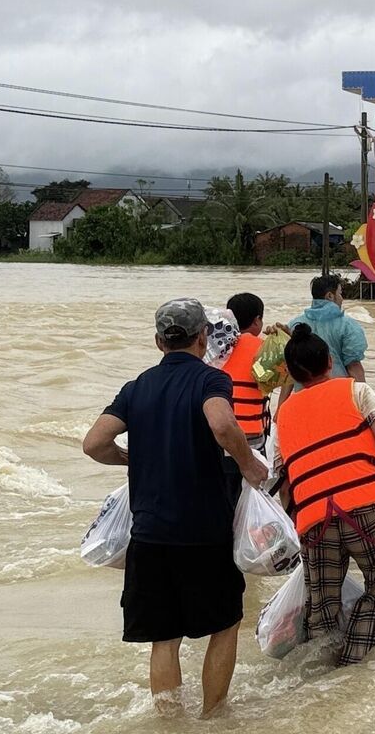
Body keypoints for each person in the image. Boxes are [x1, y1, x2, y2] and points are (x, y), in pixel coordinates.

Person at [81, 298, 269, 718]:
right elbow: (222, 424)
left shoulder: (137, 387)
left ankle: (169, 722)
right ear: (203, 338)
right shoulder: (210, 381)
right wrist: (247, 462)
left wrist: (129, 458)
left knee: (163, 637)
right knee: (225, 623)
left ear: (157, 341)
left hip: (148, 534)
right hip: (203, 529)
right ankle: (213, 716)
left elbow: (93, 444)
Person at [269, 323, 375, 667]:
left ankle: (322, 670)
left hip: (315, 519)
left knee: (322, 603)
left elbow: (282, 477)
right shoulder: (356, 391)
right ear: (330, 361)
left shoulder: (283, 415)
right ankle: (354, 658)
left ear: (291, 373)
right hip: (369, 507)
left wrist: (296, 520)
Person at [288, 274, 367, 386]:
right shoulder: (347, 326)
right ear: (330, 296)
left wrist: (282, 403)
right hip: (337, 393)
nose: (342, 298)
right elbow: (354, 367)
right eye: (340, 293)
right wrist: (364, 399)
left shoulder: (295, 325)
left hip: (304, 396)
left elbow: (289, 372)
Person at [221, 293, 272, 449]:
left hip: (220, 428)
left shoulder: (217, 347)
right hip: (251, 431)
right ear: (257, 320)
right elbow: (281, 378)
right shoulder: (263, 348)